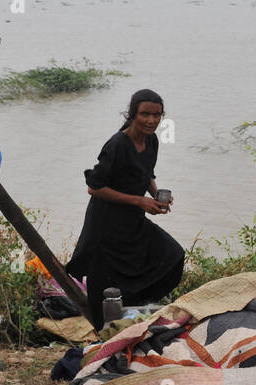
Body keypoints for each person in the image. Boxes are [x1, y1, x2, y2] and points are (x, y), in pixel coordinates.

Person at [65, 89, 185, 323]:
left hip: (132, 222)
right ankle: (105, 334)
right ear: (132, 115)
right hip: (105, 224)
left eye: (157, 115)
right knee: (105, 284)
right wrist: (140, 201)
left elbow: (146, 172)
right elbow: (94, 187)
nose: (151, 120)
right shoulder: (118, 144)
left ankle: (133, 313)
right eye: (145, 114)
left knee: (173, 256)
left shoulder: (151, 140)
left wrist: (156, 195)